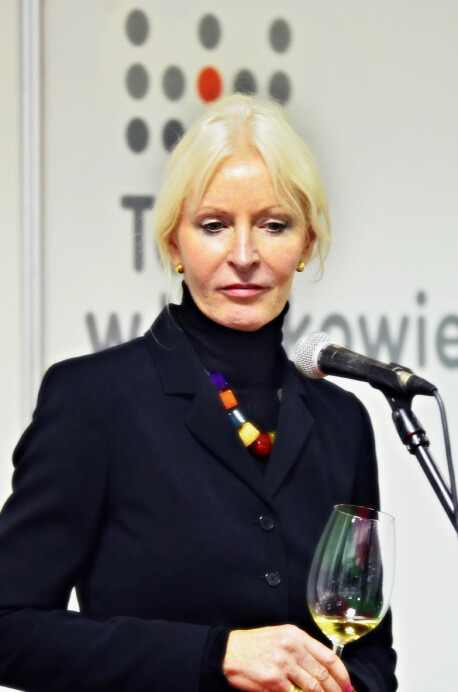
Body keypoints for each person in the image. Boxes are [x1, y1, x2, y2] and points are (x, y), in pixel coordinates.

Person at [0, 94, 397, 691]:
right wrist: (217, 655)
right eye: (214, 226)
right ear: (173, 243)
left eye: (274, 225)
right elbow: (10, 627)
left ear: (307, 243)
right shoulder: (93, 400)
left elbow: (369, 653)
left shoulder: (344, 420)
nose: (245, 255)